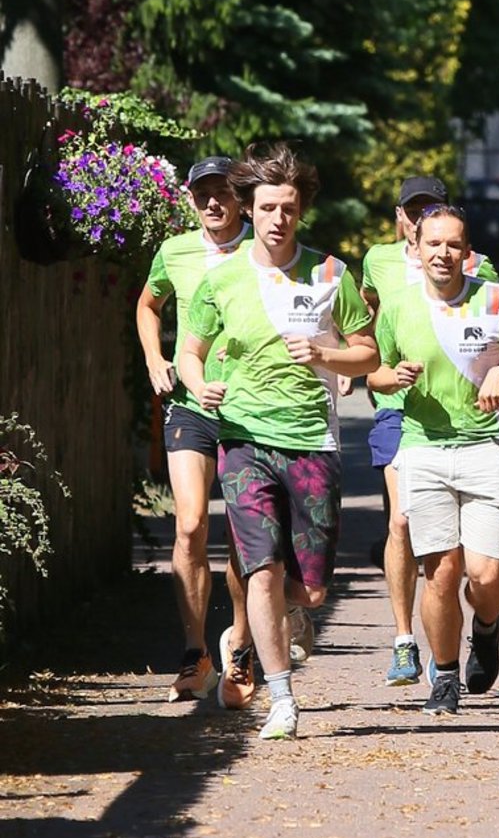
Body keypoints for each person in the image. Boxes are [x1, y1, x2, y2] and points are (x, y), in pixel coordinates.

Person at [178, 143, 378, 740]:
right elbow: (190, 352)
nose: (277, 219)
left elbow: (368, 353)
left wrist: (325, 353)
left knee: (311, 590)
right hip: (243, 437)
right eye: (266, 207)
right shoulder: (224, 278)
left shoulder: (330, 274)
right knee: (260, 568)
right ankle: (282, 699)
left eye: (288, 208)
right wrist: (199, 385)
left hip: (313, 439)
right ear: (249, 208)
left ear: (301, 210)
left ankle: (270, 623)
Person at [368, 204, 499, 715]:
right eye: (433, 244)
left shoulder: (495, 300)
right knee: (441, 572)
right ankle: (444, 676)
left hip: (486, 447)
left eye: (453, 245)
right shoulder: (398, 306)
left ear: (467, 252)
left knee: (485, 575)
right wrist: (391, 377)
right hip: (422, 447)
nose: (443, 254)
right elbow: (373, 373)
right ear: (416, 248)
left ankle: (486, 626)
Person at [361, 176, 499, 687]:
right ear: (400, 217)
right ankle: (403, 640)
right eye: (412, 211)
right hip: (397, 407)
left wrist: (494, 374)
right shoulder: (377, 260)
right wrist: (372, 369)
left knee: (458, 556)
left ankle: (474, 621)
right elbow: (368, 316)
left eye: (432, 210)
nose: (421, 219)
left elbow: (496, 329)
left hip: (460, 414)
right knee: (400, 523)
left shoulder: (476, 265)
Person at [135, 156, 253, 708]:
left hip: (252, 407)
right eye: (202, 193)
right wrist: (156, 358)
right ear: (189, 199)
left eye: (223, 192)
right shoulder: (175, 251)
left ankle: (244, 647)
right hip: (190, 403)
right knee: (188, 527)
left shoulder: (263, 250)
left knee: (244, 536)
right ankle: (194, 653)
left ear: (240, 198)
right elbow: (148, 304)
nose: (213, 203)